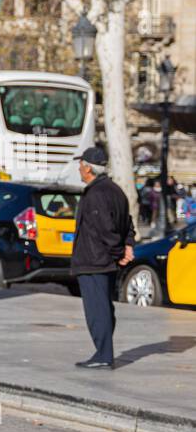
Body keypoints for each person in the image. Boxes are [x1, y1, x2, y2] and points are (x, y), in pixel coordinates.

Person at [70, 146, 135, 370]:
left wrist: (119, 251)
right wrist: (127, 245)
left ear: (88, 168)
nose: (79, 168)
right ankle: (104, 351)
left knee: (97, 310)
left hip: (94, 261)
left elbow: (106, 229)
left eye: (81, 164)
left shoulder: (95, 194)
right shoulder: (116, 191)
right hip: (104, 261)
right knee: (104, 308)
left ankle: (103, 354)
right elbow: (128, 223)